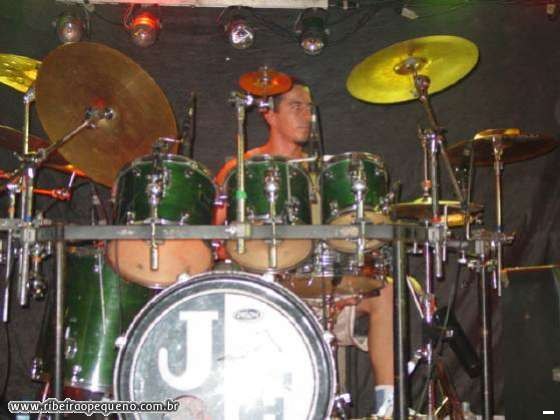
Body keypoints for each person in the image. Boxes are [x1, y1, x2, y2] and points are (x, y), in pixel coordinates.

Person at [213, 81, 395, 416]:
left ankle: (388, 408)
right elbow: (214, 240)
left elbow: (340, 245)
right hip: (268, 293)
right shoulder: (241, 168)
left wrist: (347, 285)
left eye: (309, 108)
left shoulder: (322, 172)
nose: (307, 115)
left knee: (387, 292)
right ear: (269, 114)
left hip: (323, 289)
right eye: (296, 106)